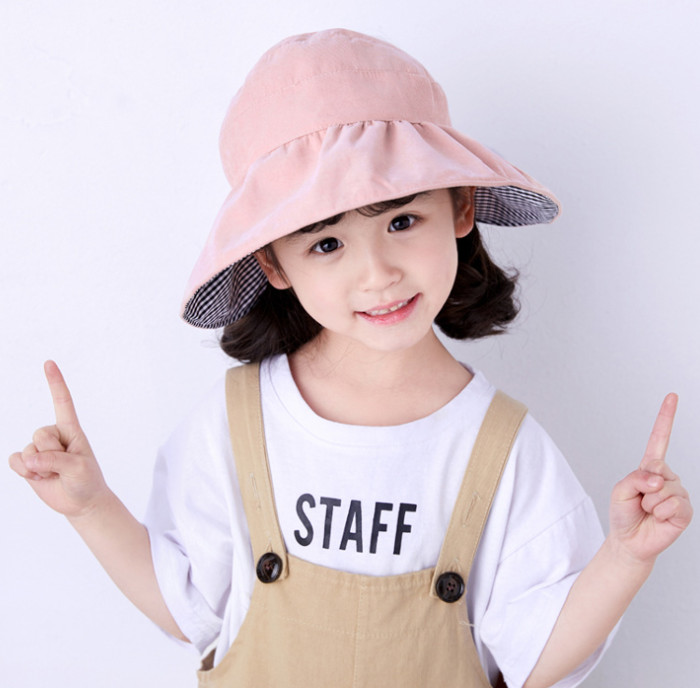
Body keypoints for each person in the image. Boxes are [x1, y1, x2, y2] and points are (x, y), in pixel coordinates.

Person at [9, 29, 692, 688]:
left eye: (401, 221)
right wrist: (91, 507)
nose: (378, 274)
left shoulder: (507, 449)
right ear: (274, 263)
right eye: (327, 244)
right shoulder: (236, 423)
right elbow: (187, 609)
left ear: (460, 209)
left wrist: (624, 558)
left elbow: (536, 664)